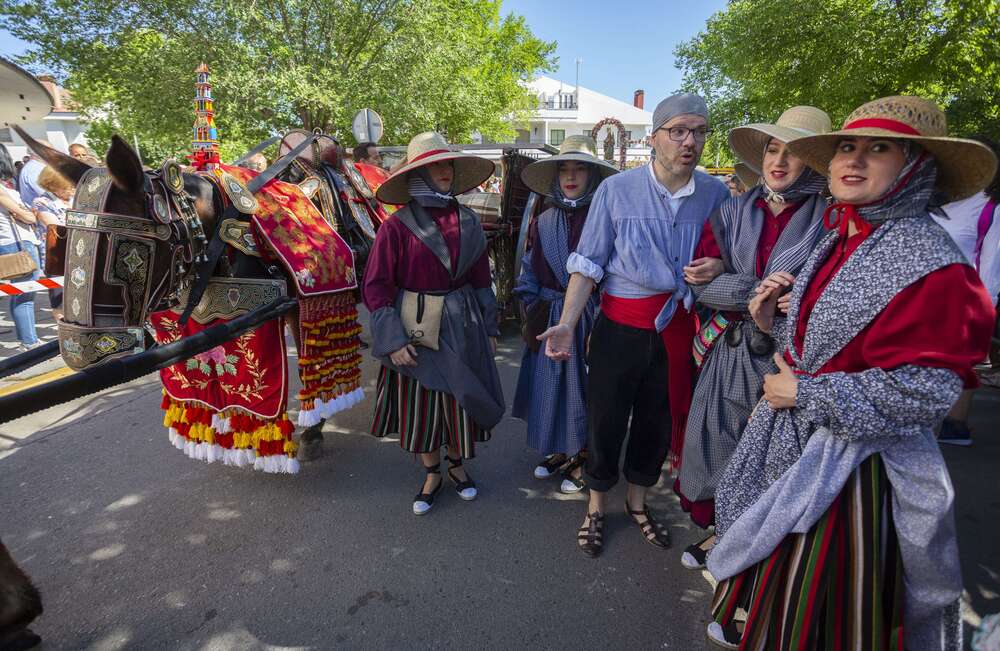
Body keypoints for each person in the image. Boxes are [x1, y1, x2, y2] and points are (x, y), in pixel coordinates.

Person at [704, 96, 996, 650]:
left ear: (915, 165)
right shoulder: (845, 238)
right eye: (846, 146)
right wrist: (771, 324)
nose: (853, 161)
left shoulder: (933, 263)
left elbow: (926, 394)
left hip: (860, 477)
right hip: (807, 457)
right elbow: (820, 349)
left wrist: (806, 393)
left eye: (878, 148)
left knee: (830, 617)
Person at [538, 93, 729, 557]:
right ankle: (597, 504)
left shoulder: (716, 194)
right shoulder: (617, 190)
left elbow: (733, 257)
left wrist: (719, 267)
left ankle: (638, 501)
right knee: (605, 420)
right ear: (656, 137)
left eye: (699, 132)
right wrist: (566, 324)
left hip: (679, 329)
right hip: (620, 328)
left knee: (656, 422)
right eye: (679, 131)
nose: (691, 141)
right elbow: (588, 264)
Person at [675, 106, 832, 570]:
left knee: (772, 457)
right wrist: (757, 288)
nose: (778, 161)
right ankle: (719, 534)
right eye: (772, 148)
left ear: (816, 162)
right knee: (718, 440)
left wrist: (793, 295)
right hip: (733, 349)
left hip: (792, 360)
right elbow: (701, 285)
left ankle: (759, 552)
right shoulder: (732, 211)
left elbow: (826, 294)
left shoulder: (835, 219)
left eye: (794, 152)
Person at [363, 131, 503, 516]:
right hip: (415, 327)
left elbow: (480, 281)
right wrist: (391, 339)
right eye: (436, 165)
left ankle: (457, 467)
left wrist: (490, 328)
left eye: (448, 164)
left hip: (463, 325)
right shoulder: (396, 227)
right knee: (422, 405)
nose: (445, 170)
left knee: (460, 399)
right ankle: (431, 473)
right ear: (418, 174)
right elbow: (375, 286)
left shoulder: (469, 220)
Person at [513, 136, 618, 492]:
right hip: (549, 311)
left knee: (586, 390)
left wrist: (602, 319)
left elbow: (615, 273)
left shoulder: (605, 216)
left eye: (580, 168)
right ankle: (562, 450)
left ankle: (583, 457)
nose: (571, 176)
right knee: (551, 386)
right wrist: (529, 304)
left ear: (593, 175)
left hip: (589, 314)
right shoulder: (543, 220)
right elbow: (530, 265)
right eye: (564, 169)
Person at [931, 135, 1000, 445]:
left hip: (961, 302)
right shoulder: (939, 198)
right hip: (920, 298)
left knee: (957, 366)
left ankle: (954, 426)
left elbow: (992, 268)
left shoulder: (991, 208)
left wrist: (981, 316)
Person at [0, 144, 42, 351]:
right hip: (16, 243)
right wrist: (26, 214)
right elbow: (25, 214)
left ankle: (29, 339)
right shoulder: (1, 189)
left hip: (18, 240)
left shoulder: (4, 187)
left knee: (23, 291)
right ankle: (29, 341)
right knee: (24, 291)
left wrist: (26, 214)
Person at [32, 166, 75, 316]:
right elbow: (58, 228)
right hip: (57, 256)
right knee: (60, 302)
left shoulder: (76, 199)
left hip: (79, 255)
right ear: (53, 185)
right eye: (68, 186)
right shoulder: (42, 202)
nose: (72, 189)